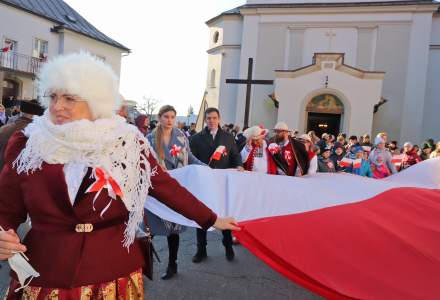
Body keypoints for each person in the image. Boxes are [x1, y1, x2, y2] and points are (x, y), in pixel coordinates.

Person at [0, 53, 238, 299]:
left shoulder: (126, 142)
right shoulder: (29, 144)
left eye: (69, 98)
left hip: (112, 271)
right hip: (47, 273)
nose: (57, 106)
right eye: (53, 97)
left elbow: (166, 188)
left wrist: (210, 219)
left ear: (96, 101)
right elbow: (5, 208)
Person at [146, 105, 205, 280]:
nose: (169, 120)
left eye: (172, 116)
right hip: (156, 191)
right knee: (150, 231)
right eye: (166, 116)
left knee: (173, 229)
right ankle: (145, 267)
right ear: (159, 117)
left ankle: (173, 264)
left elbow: (191, 157)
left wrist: (204, 167)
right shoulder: (149, 139)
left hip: (175, 189)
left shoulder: (181, 137)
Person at [189, 107, 243, 263]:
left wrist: (239, 165)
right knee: (202, 215)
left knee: (224, 214)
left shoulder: (228, 137)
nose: (211, 121)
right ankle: (201, 249)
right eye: (208, 118)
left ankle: (228, 246)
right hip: (203, 183)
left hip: (222, 183)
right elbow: (191, 159)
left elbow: (235, 155)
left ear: (219, 119)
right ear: (205, 120)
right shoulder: (196, 138)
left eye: (214, 118)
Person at [0, 100, 44, 169]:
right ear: (36, 116)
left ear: (21, 111)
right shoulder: (35, 133)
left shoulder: (4, 128)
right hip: (19, 175)